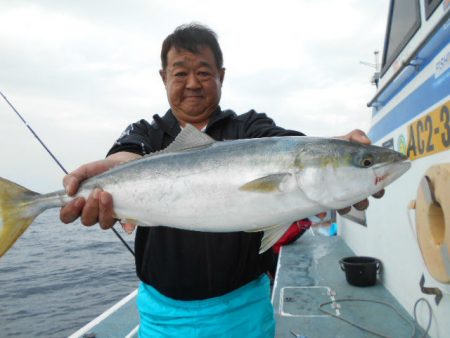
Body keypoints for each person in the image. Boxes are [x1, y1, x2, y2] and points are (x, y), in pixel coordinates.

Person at [60, 23, 384, 337]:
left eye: (203, 72)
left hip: (244, 311)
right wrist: (109, 171)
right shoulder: (146, 133)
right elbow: (127, 156)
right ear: (164, 77)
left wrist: (340, 147)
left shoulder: (249, 128)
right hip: (162, 317)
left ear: (221, 76)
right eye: (180, 73)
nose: (192, 83)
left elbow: (290, 146)